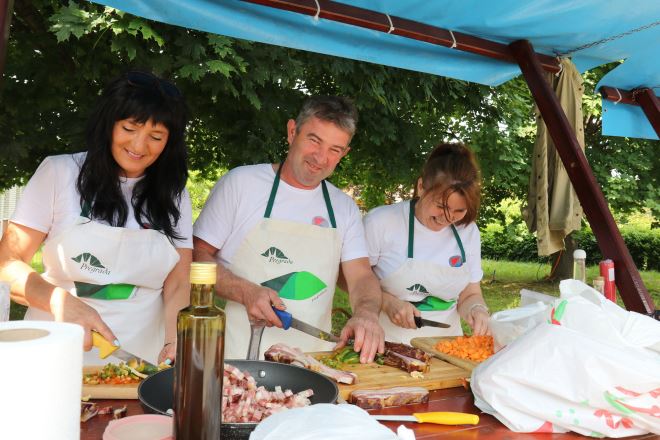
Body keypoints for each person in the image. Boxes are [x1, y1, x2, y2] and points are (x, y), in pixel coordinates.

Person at [0, 71, 192, 365]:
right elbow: (7, 264)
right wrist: (59, 301)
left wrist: (176, 339)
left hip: (143, 358)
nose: (139, 146)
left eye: (155, 137)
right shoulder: (59, 173)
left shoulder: (173, 194)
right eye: (129, 128)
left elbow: (179, 282)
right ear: (108, 123)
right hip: (56, 353)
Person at [193, 96, 384, 363]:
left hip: (314, 363)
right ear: (292, 131)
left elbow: (361, 275)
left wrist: (366, 312)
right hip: (237, 360)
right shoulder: (242, 184)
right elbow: (196, 256)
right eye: (314, 140)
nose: (321, 158)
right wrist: (244, 291)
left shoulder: (344, 207)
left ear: (345, 153)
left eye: (335, 149)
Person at [363, 143, 490, 344]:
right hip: (383, 342)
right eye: (441, 206)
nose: (448, 217)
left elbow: (470, 293)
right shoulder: (381, 222)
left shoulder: (468, 231)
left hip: (446, 347)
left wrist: (477, 309)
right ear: (421, 187)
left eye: (459, 211)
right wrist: (387, 303)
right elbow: (351, 278)